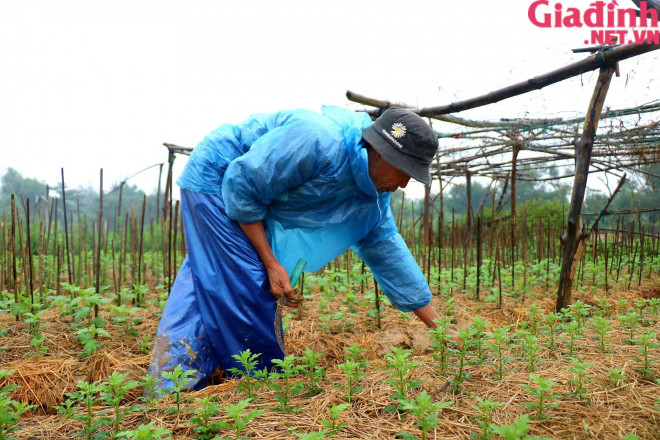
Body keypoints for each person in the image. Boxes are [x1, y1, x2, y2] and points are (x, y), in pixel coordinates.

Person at [149, 106, 458, 390]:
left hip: (242, 192)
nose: (405, 185)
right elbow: (242, 185)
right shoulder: (317, 141)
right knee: (249, 284)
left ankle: (172, 382)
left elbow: (389, 254)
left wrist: (440, 327)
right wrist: (271, 263)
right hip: (217, 178)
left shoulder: (372, 200)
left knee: (212, 276)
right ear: (380, 154)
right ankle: (256, 389)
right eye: (405, 172)